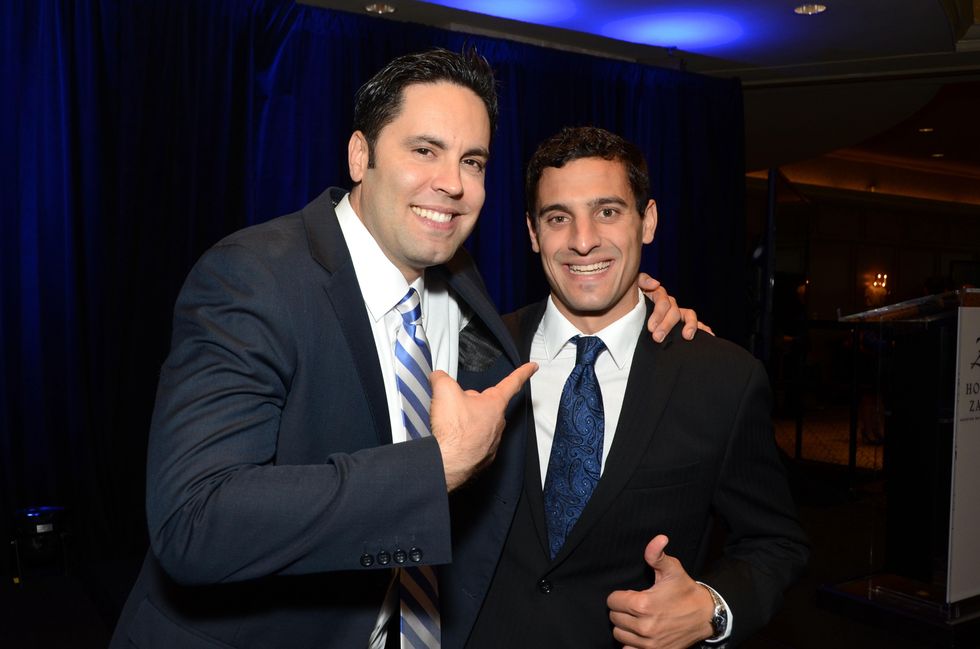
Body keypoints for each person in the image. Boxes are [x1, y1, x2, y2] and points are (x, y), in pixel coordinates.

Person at [110, 51, 693, 649]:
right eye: (425, 150)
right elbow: (194, 523)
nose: (452, 182)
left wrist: (637, 307)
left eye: (472, 160)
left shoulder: (461, 283)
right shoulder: (256, 277)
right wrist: (436, 469)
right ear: (360, 154)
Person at [467, 127, 809, 648]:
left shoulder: (720, 378)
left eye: (608, 212)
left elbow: (775, 542)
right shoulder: (476, 353)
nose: (583, 241)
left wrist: (713, 610)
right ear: (533, 233)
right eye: (558, 218)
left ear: (647, 220)